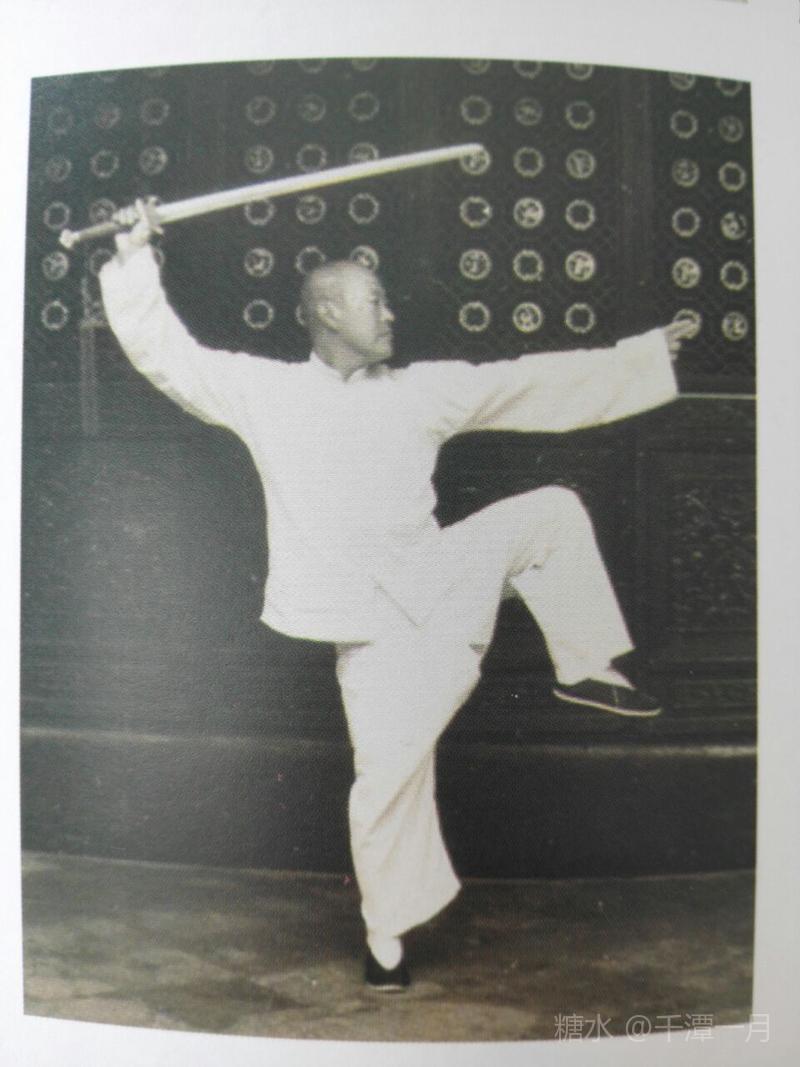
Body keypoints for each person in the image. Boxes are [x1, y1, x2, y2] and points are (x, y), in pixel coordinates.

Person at [100, 200, 691, 992]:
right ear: (328, 311)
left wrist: (643, 357)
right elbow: (167, 356)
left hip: (439, 584)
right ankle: (385, 943)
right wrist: (134, 255)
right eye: (375, 300)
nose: (391, 313)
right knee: (386, 781)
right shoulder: (264, 392)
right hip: (371, 633)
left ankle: (586, 666)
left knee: (551, 510)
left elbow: (526, 382)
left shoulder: (421, 390)